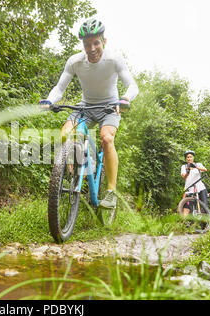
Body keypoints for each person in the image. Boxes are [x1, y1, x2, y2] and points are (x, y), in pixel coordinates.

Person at [39, 18, 139, 209]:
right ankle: (72, 167)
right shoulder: (75, 61)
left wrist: (125, 98)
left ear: (104, 41)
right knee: (64, 133)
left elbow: (132, 85)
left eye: (96, 43)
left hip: (110, 107)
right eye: (87, 44)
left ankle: (111, 192)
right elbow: (59, 88)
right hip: (85, 106)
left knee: (106, 139)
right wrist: (50, 101)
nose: (92, 48)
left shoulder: (114, 59)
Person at [180, 150, 208, 216]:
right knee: (186, 207)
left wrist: (195, 166)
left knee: (204, 206)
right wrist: (188, 172)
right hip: (189, 188)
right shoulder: (184, 166)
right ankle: (185, 223)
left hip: (200, 187)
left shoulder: (198, 164)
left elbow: (205, 169)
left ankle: (207, 222)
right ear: (186, 159)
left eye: (191, 157)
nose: (189, 158)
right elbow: (184, 177)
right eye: (188, 157)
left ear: (193, 157)